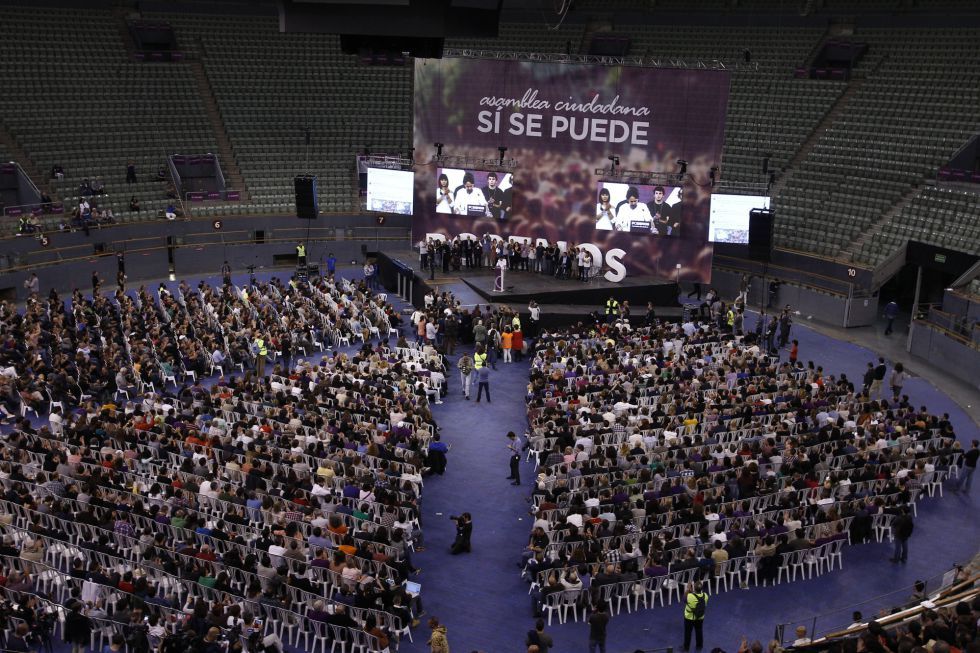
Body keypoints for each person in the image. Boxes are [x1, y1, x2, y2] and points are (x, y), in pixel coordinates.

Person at [682, 580, 708, 652]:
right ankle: (699, 645)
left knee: (688, 632)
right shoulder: (705, 595)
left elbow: (684, 599)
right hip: (700, 617)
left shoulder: (690, 596)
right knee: (699, 631)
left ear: (694, 588)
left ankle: (686, 648)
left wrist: (688, 589)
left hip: (689, 618)